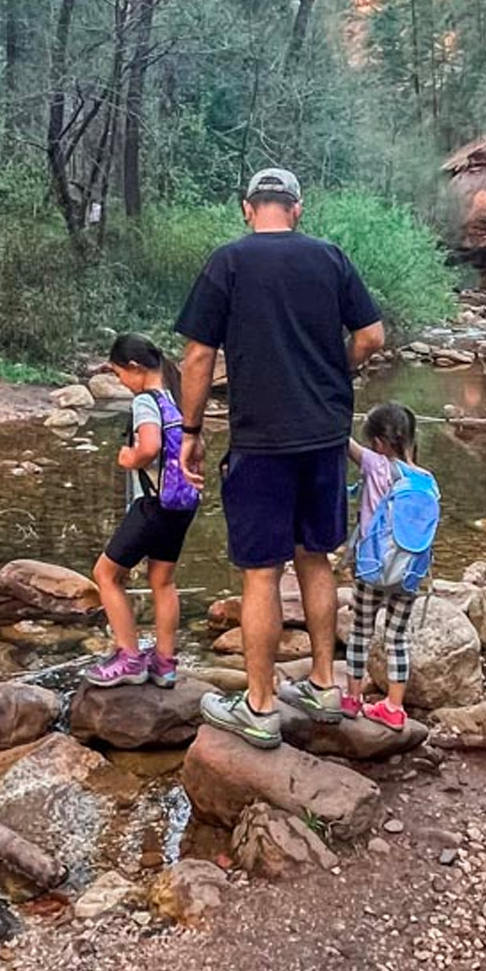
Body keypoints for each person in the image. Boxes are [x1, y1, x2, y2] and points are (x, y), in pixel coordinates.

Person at [177, 166, 386, 748]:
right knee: (315, 557)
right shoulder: (330, 258)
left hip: (261, 439)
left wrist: (189, 431)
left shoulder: (229, 262)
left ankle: (261, 705)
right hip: (322, 436)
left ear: (248, 208)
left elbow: (197, 357)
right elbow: (372, 337)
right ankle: (323, 685)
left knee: (262, 572)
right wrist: (331, 371)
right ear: (297, 208)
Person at [84, 334, 198, 689]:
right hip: (181, 503)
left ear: (134, 369)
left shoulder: (146, 402)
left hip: (151, 504)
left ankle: (129, 657)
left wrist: (127, 458)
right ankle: (164, 663)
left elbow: (149, 446)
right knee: (163, 580)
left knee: (105, 575)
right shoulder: (178, 398)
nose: (121, 383)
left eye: (120, 375)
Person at [343, 402, 440, 732]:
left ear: (380, 443)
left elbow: (342, 439)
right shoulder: (428, 480)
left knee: (360, 633)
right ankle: (394, 708)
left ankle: (353, 700)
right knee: (397, 638)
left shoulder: (375, 464)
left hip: (373, 568)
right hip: (409, 574)